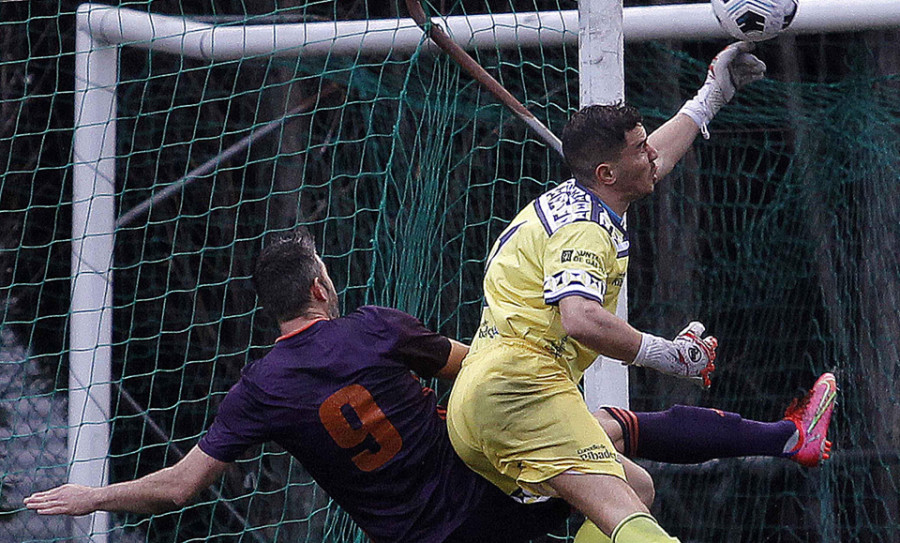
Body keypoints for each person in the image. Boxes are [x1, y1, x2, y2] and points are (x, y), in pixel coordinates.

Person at [24, 228, 836, 542]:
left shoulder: (259, 389)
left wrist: (90, 496)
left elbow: (179, 487)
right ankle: (783, 437)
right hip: (479, 492)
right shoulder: (373, 328)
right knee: (626, 466)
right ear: (318, 288)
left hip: (415, 538)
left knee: (615, 450)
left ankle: (785, 435)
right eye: (327, 272)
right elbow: (475, 371)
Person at [444, 41, 787, 543]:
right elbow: (579, 318)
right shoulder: (586, 228)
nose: (651, 154)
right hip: (523, 390)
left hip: (483, 397)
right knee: (636, 525)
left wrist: (711, 96)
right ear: (607, 173)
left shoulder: (581, 198)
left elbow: (657, 159)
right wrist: (667, 356)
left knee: (636, 488)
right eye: (638, 149)